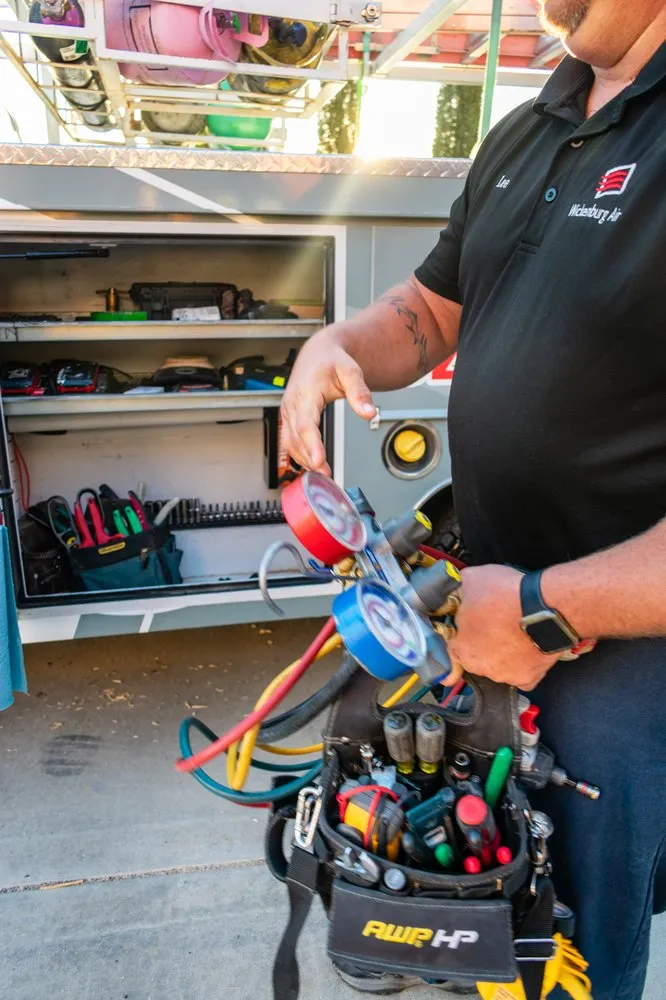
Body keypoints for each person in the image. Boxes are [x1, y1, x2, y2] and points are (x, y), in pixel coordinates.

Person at [280, 1, 666, 997]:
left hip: (621, 653)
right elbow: (429, 309)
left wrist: (547, 608)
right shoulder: (529, 125)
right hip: (482, 604)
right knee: (466, 918)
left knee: (571, 948)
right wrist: (337, 346)